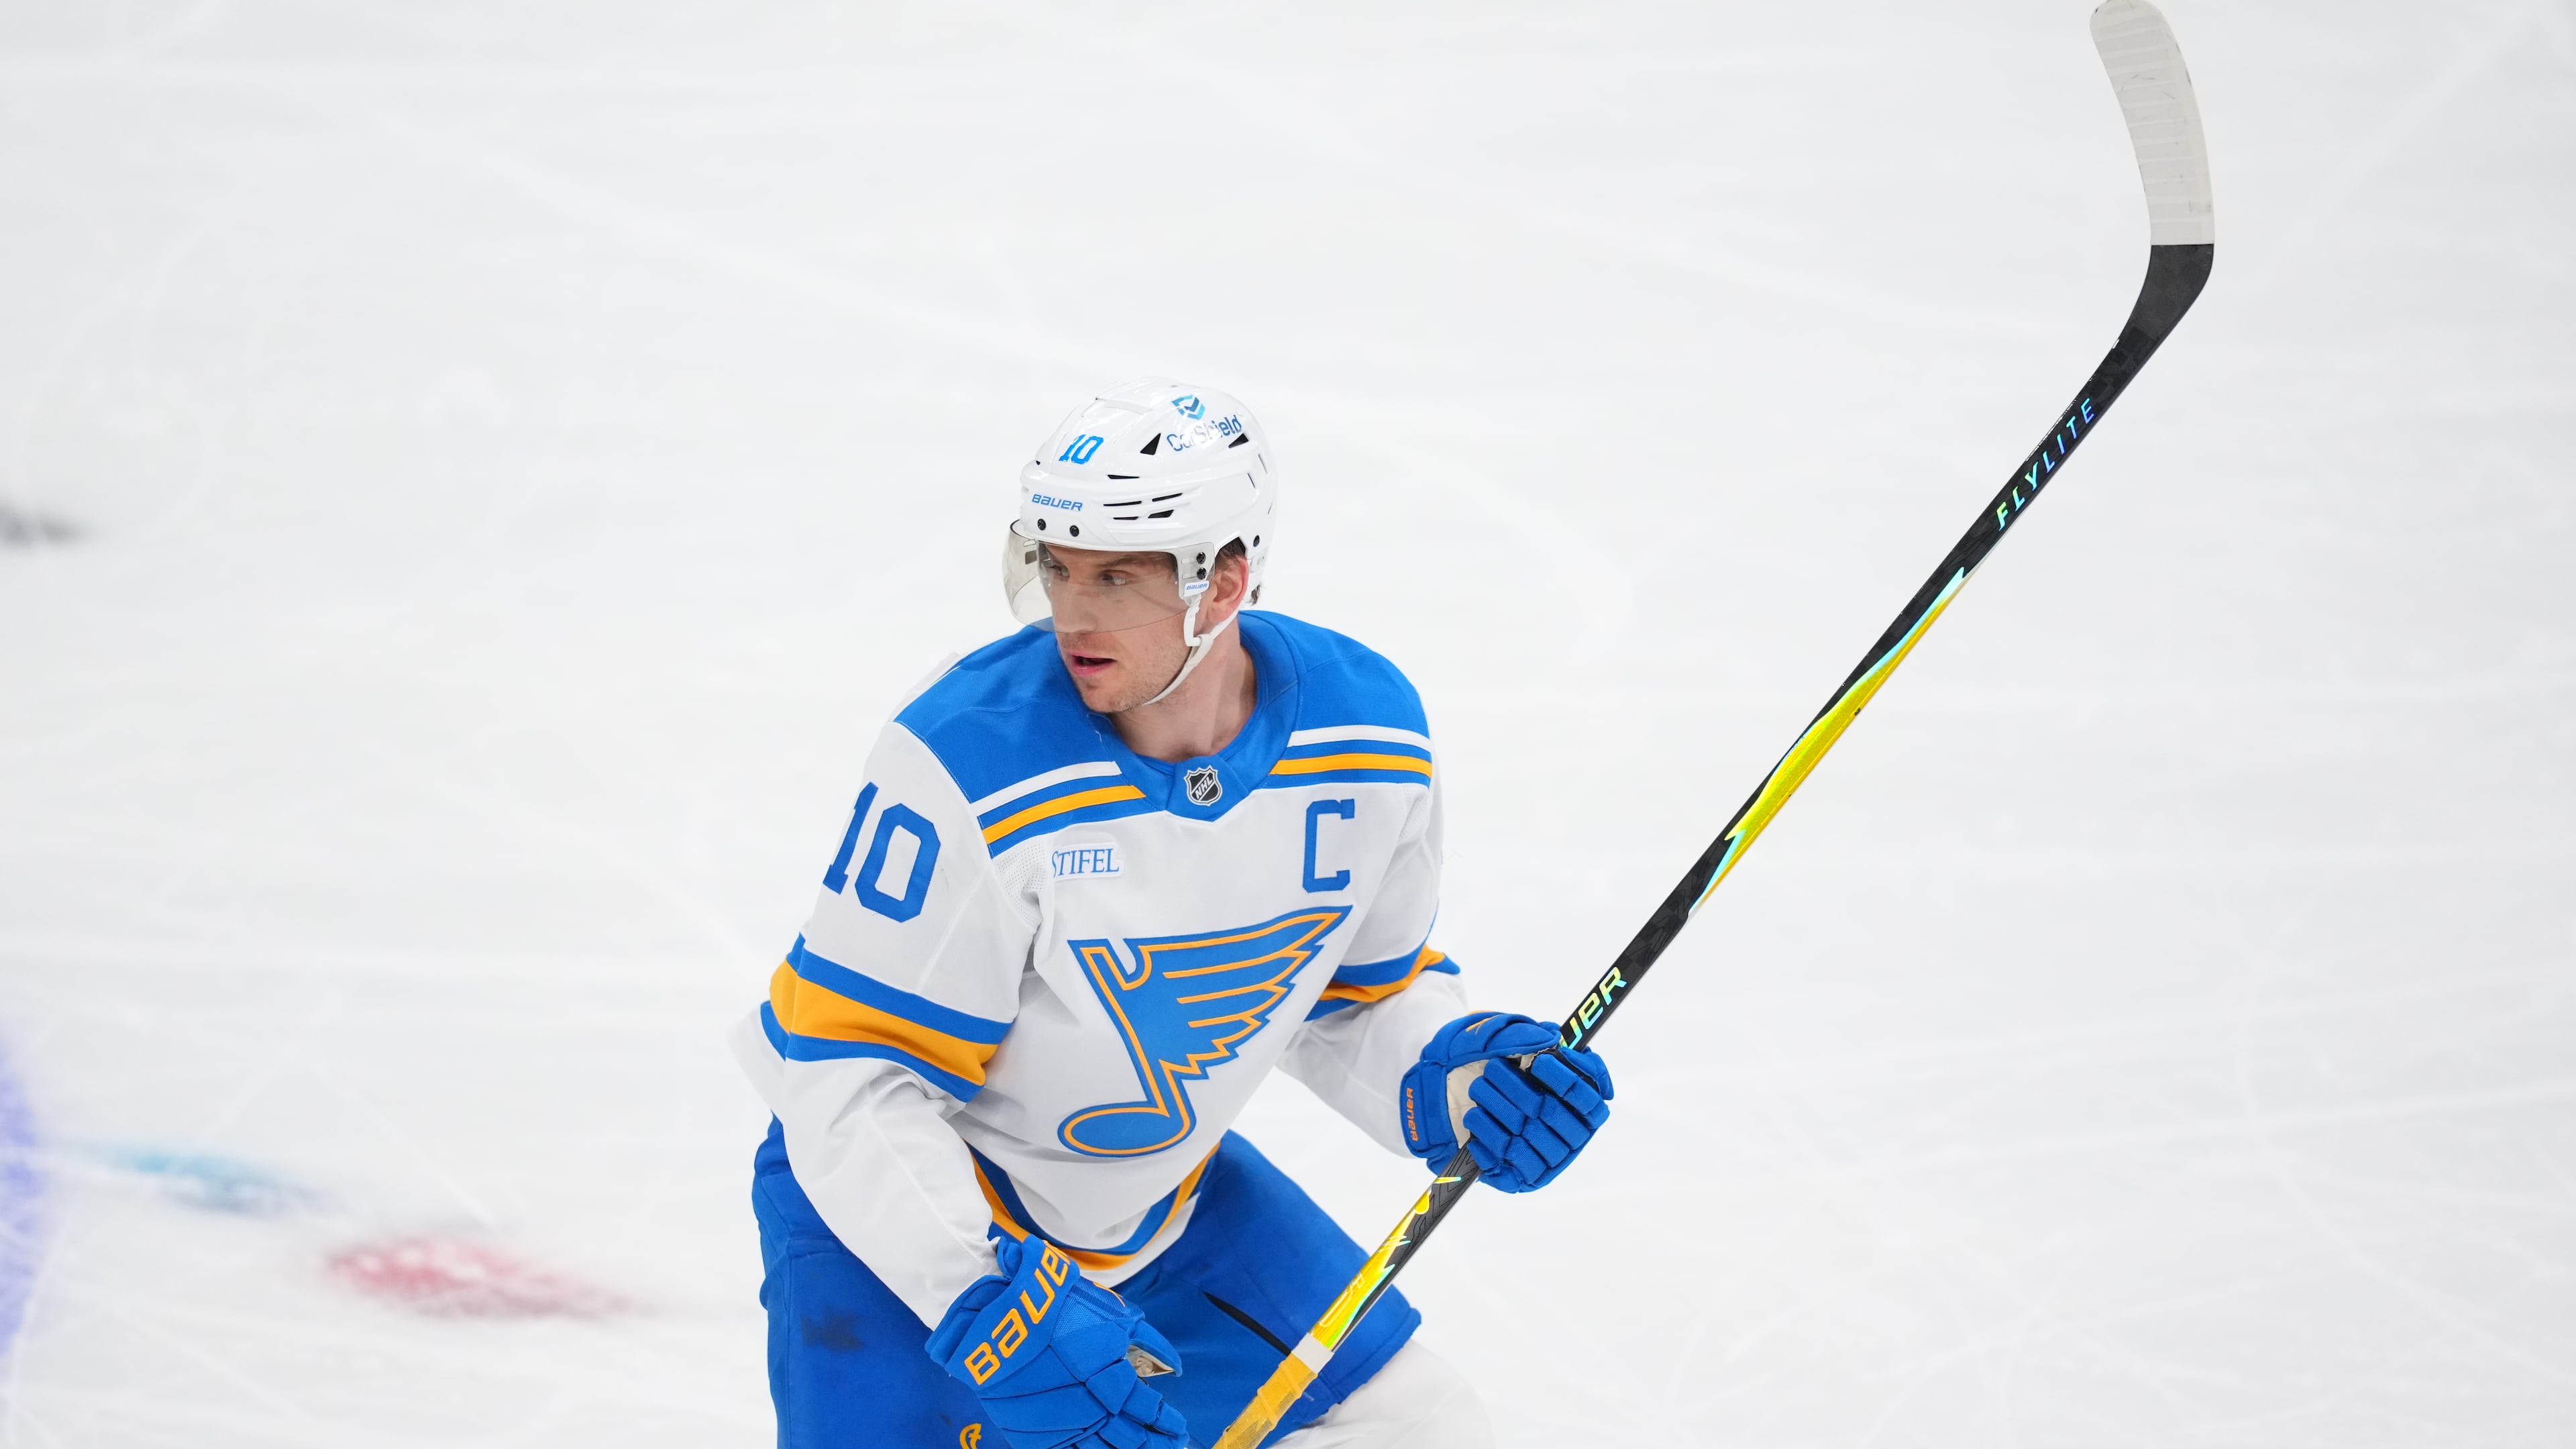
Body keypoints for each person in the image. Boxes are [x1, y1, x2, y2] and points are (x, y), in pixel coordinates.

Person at [732, 380, 1615, 1448]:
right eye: (1057, 568)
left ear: (1225, 581)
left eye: (1118, 577)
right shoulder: (966, 762)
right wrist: (982, 1298)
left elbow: (1350, 998)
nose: (1075, 612)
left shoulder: (1369, 732)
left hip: (1158, 1215)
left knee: (1421, 1427)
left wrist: (1460, 1076)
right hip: (900, 1233)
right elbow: (848, 1079)